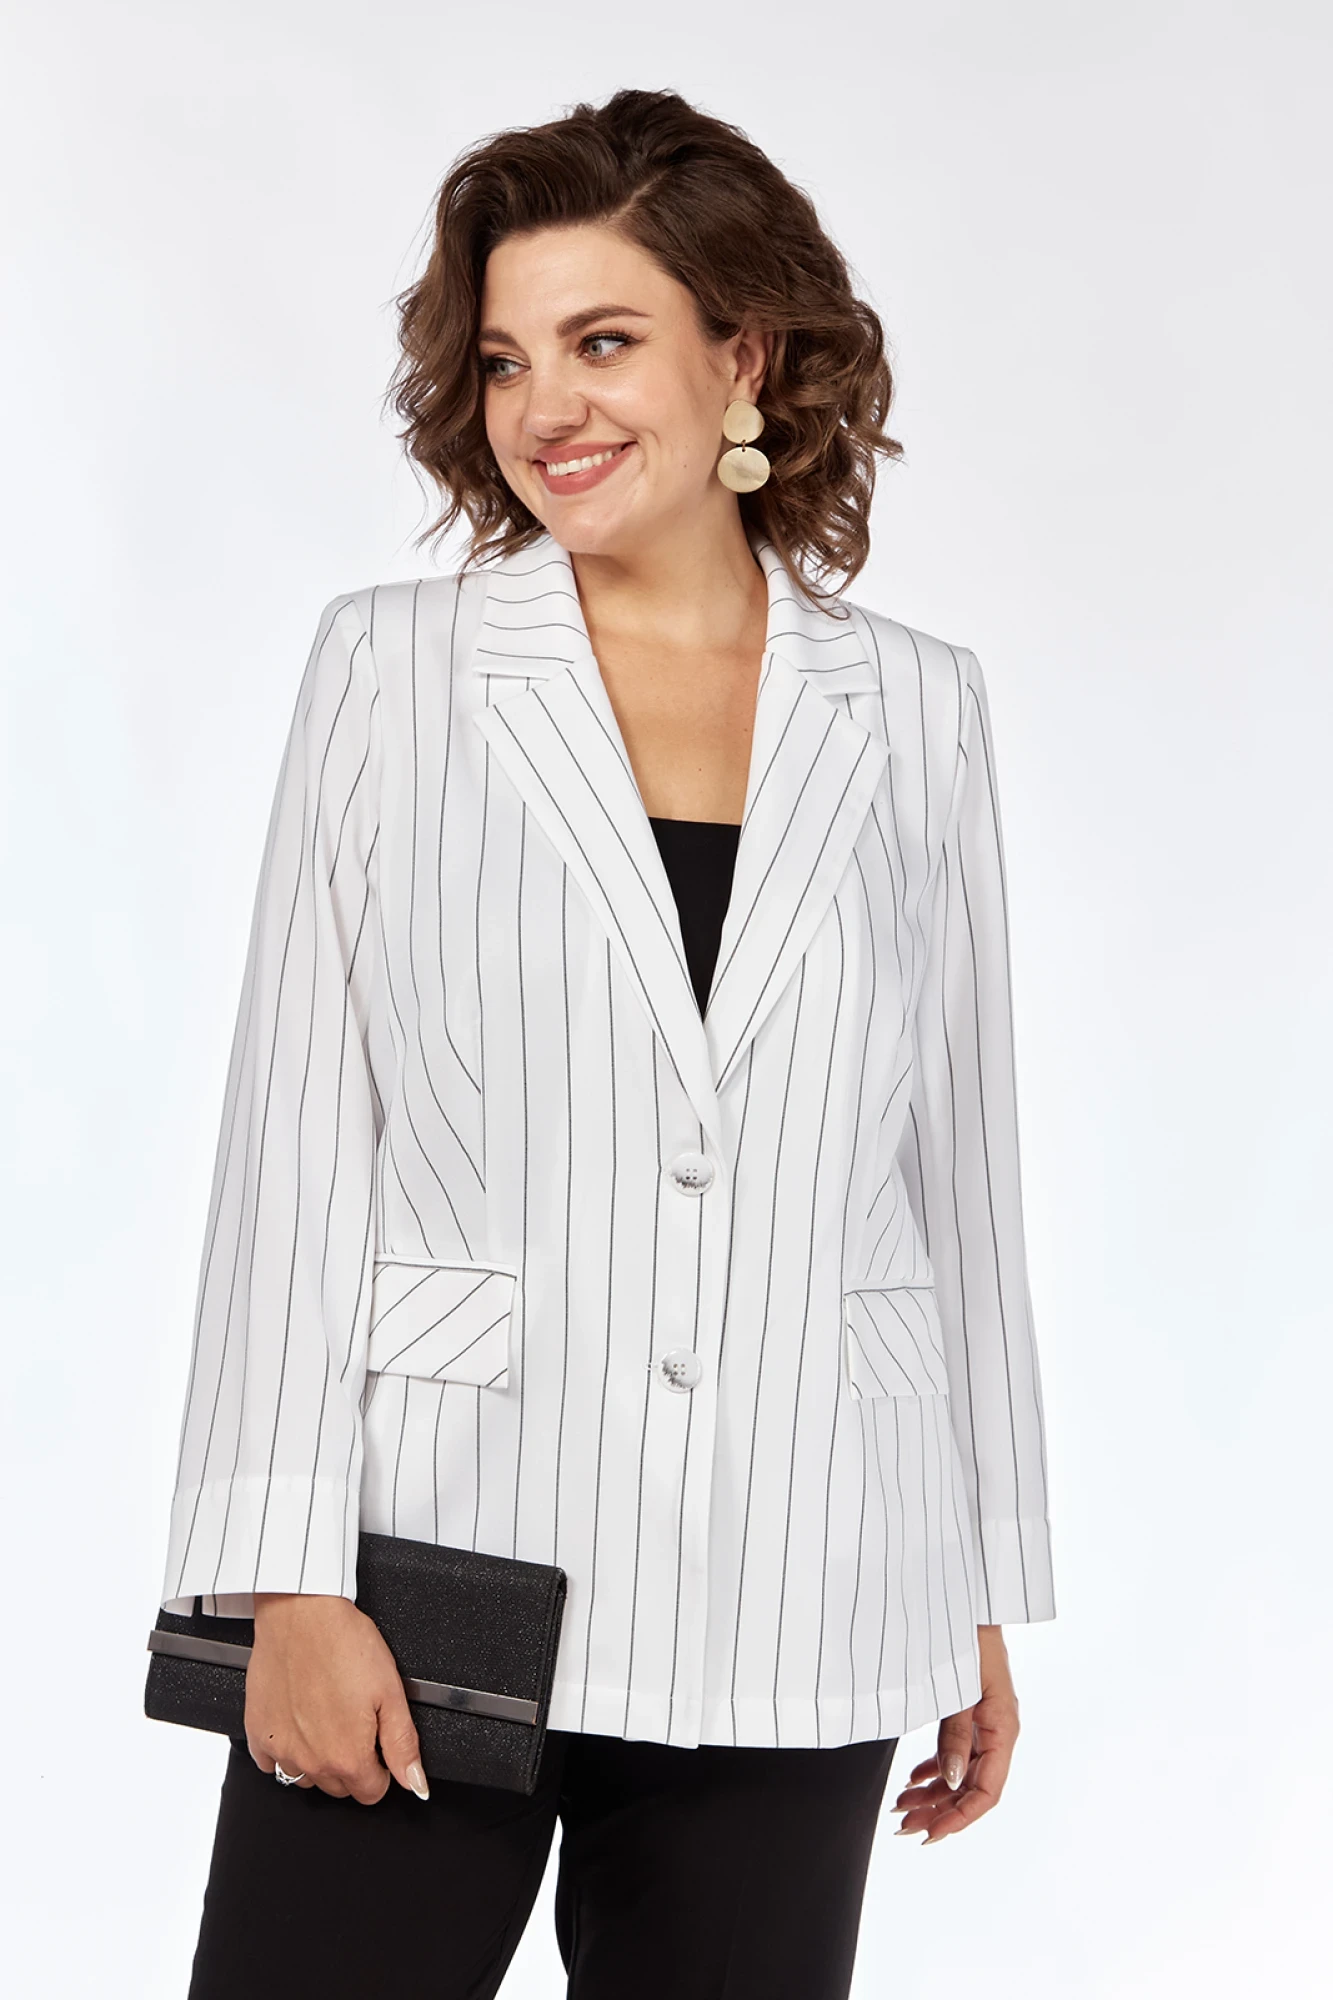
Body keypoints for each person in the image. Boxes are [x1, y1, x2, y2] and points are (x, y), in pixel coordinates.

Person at [160, 85, 1056, 2000]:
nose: (543, 406)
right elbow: (296, 1139)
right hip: (434, 1559)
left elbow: (956, 1178)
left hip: (803, 1570)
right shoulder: (392, 672)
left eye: (602, 342)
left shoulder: (919, 713)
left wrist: (975, 1586)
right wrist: (282, 1576)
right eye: (505, 360)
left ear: (746, 356)